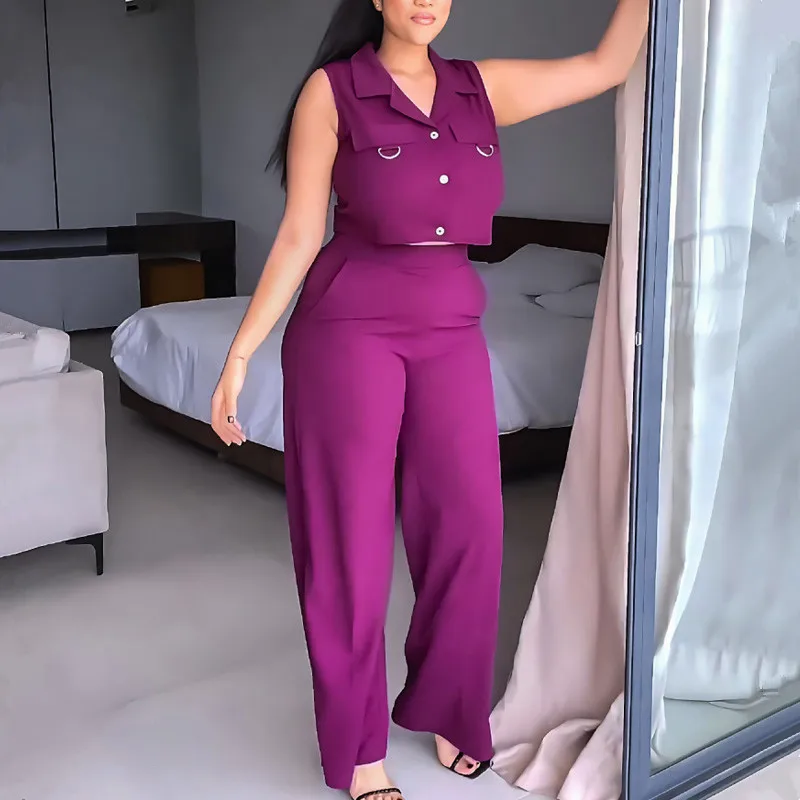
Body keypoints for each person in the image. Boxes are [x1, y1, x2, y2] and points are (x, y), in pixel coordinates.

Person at [210, 0, 647, 797]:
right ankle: (358, 751)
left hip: (451, 328)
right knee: (349, 543)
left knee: (470, 529)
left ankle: (451, 708)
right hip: (348, 329)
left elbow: (605, 66)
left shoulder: (481, 89)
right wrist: (240, 354)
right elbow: (301, 232)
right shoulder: (333, 91)